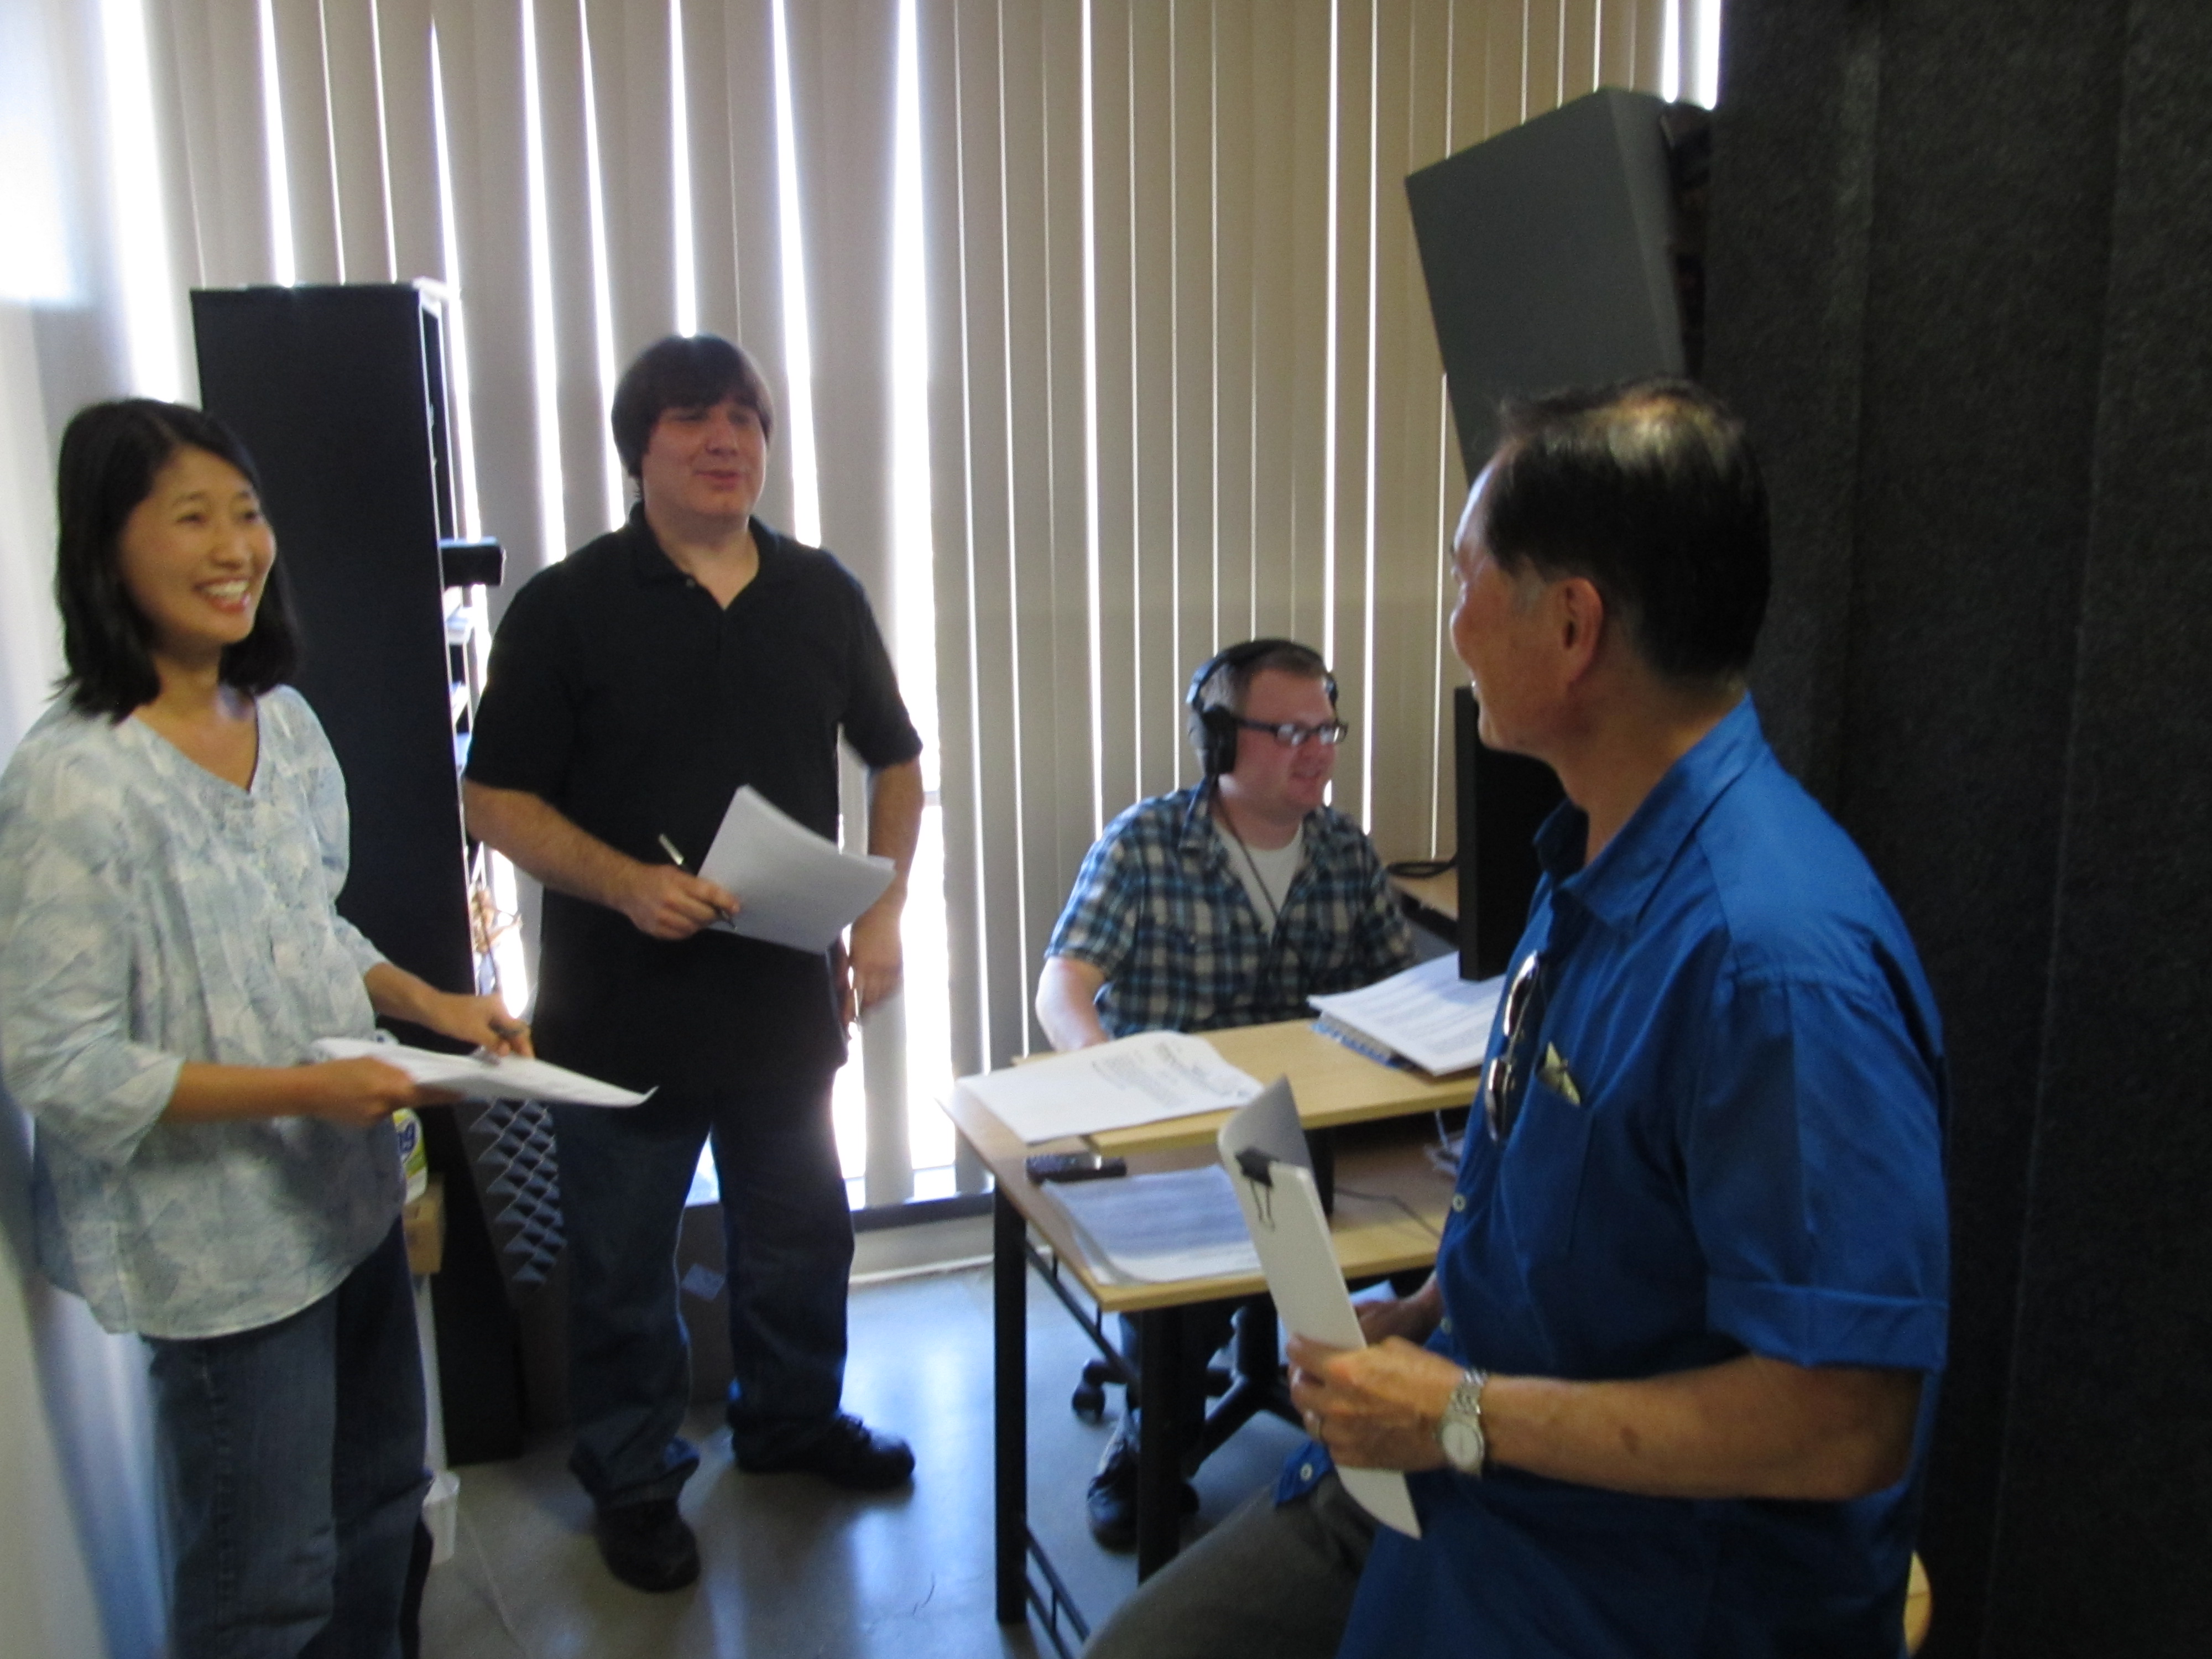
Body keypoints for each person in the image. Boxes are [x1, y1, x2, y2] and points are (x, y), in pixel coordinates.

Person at [1082, 379, 1950, 1659]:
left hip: (1627, 1576)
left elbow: (1841, 1419)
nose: (1452, 619)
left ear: (1570, 624)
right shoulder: (1593, 859)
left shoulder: (1770, 964)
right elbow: (1565, 1210)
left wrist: (1458, 1414)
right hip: (1469, 1472)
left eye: (1466, 576)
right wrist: (1427, 1315)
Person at [0, 399, 525, 1658]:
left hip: (341, 1204)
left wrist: (426, 1003)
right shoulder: (74, 778)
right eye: (191, 517)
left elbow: (305, 933)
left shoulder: (277, 722)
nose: (236, 545)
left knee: (379, 1514)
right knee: (266, 1587)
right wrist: (303, 1091)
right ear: (105, 547)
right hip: (221, 1258)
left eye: (246, 511)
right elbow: (60, 1063)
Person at [461, 334, 925, 1593]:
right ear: (638, 448)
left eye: (745, 419)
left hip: (781, 996)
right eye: (691, 419)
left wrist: (879, 913)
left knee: (800, 1237)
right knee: (621, 1270)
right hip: (618, 1012)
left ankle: (787, 1422)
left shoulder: (819, 591)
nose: (726, 441)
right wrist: (622, 881)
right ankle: (633, 1476)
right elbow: (490, 798)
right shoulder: (564, 607)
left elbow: (895, 762)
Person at [1037, 638, 1416, 1546]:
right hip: (1186, 1148)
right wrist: (1103, 1068)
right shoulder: (1145, 842)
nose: (1316, 750)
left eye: (1327, 729)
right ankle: (1146, 1440)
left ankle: (1401, 1431)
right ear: (1219, 740)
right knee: (1188, 1292)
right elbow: (1064, 987)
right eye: (1289, 730)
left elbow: (1394, 1003)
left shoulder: (1345, 853)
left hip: (1319, 1144)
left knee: (1440, 1256)